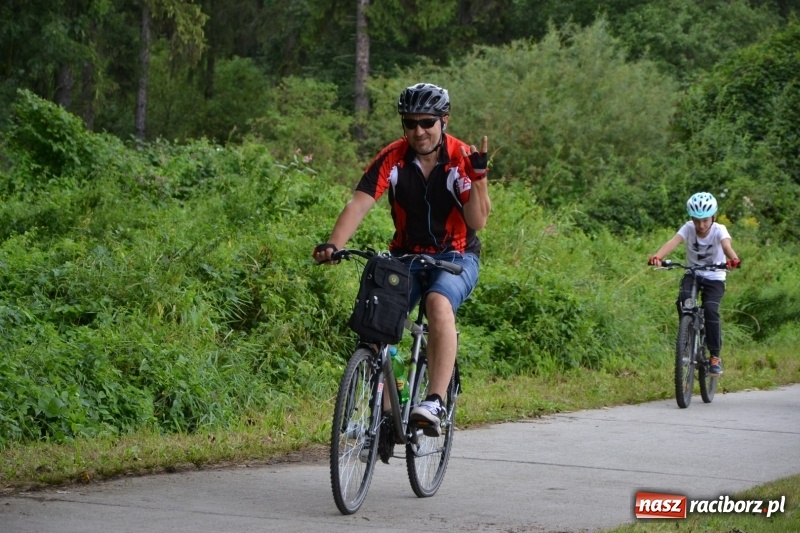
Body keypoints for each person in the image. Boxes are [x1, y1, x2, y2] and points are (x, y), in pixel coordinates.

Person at [313, 82, 491, 436]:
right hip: (407, 256)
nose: (419, 131)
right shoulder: (392, 157)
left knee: (438, 301)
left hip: (456, 255)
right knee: (375, 327)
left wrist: (479, 177)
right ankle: (385, 415)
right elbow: (359, 203)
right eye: (410, 123)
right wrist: (334, 244)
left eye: (427, 122)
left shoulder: (459, 158)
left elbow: (478, 222)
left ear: (444, 120)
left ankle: (435, 400)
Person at [648, 192, 741, 375]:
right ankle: (687, 333)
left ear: (713, 217)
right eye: (696, 220)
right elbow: (673, 242)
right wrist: (658, 256)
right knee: (683, 301)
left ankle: (714, 356)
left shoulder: (720, 230)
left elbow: (726, 246)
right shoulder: (688, 228)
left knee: (711, 309)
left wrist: (734, 259)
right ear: (691, 218)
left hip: (715, 277)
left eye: (705, 220)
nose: (701, 225)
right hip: (693, 273)